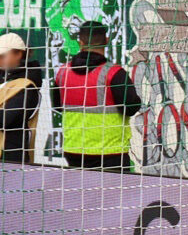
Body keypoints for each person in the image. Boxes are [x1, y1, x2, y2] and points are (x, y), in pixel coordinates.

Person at [52, 21, 141, 171]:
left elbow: (57, 106)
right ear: (106, 40)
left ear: (80, 42)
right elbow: (132, 107)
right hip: (110, 153)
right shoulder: (114, 74)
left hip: (73, 151)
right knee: (113, 195)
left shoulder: (62, 73)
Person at [0, 33, 41, 163]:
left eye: (2, 56)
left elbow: (4, 119)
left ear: (18, 54)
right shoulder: (4, 79)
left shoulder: (27, 85)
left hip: (12, 157)